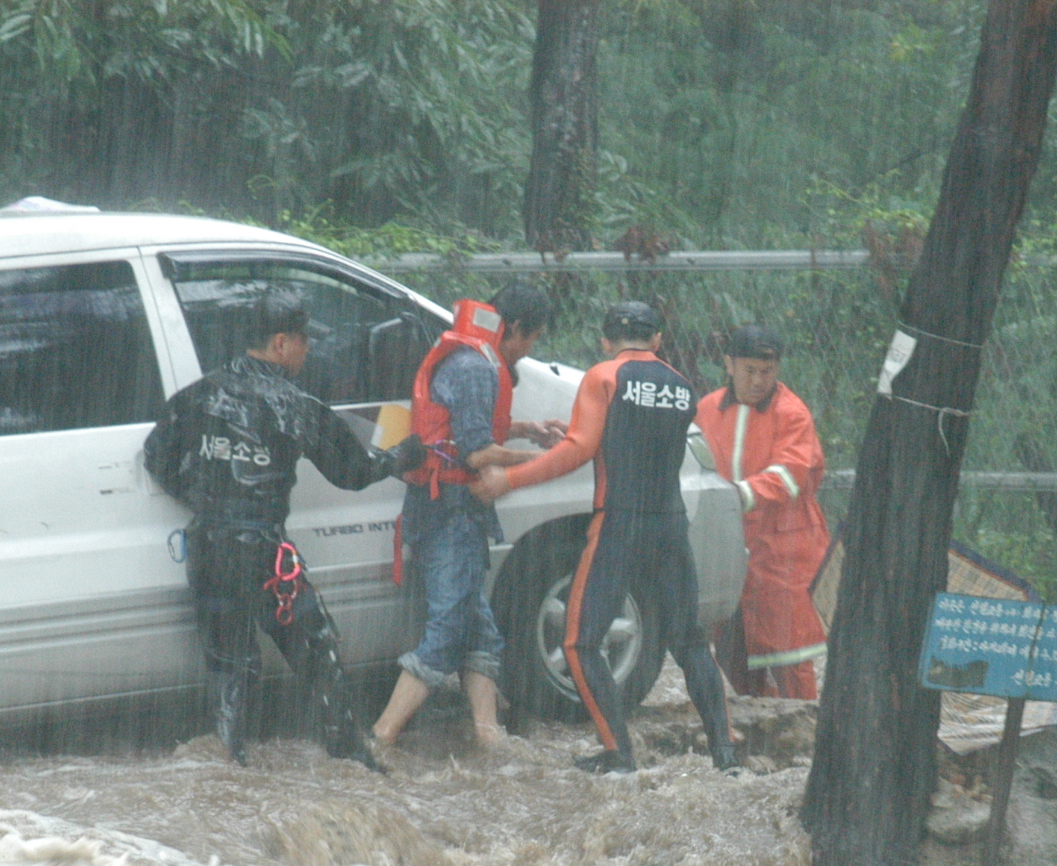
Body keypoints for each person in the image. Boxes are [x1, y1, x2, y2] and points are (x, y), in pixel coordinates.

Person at [143, 287, 426, 769]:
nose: (308, 349)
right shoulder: (295, 406)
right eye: (303, 340)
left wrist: (206, 499)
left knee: (230, 669)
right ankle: (356, 761)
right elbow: (352, 472)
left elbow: (156, 456)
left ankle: (226, 764)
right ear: (280, 343)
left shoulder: (198, 395)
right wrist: (400, 458)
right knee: (318, 654)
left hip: (207, 549)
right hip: (263, 555)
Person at [472, 301, 738, 774]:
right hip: (671, 525)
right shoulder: (681, 386)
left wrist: (509, 481)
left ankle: (619, 754)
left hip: (619, 523)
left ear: (606, 341)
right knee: (691, 642)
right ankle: (726, 756)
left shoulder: (603, 377)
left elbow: (577, 451)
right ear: (657, 341)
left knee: (579, 642)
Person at [371, 282, 566, 750]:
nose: (529, 350)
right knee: (449, 628)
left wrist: (527, 430)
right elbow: (477, 454)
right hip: (452, 513)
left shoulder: (466, 357)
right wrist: (550, 460)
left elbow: (463, 430)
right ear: (515, 329)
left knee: (479, 629)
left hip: (442, 507)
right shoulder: (478, 368)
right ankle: (382, 736)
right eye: (532, 339)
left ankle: (488, 736)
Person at [693, 324, 830, 700]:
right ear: (729, 365)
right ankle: (763, 727)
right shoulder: (707, 409)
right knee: (733, 653)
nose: (758, 380)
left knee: (791, 654)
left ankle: (801, 728)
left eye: (767, 372)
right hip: (730, 546)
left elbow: (791, 474)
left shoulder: (792, 413)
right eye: (750, 370)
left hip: (784, 548)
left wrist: (737, 496)